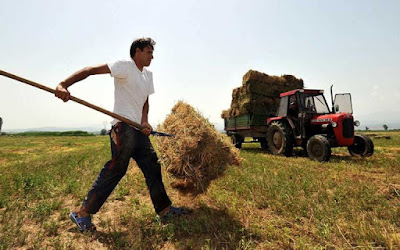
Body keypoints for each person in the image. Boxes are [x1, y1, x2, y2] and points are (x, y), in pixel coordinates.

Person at [55, 37, 184, 232]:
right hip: (123, 127)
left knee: (152, 166)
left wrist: (144, 121)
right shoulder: (124, 67)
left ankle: (164, 210)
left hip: (138, 130)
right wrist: (63, 84)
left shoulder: (148, 75)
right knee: (117, 168)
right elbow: (90, 70)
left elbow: (145, 101)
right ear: (137, 52)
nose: (152, 56)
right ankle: (82, 214)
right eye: (149, 52)